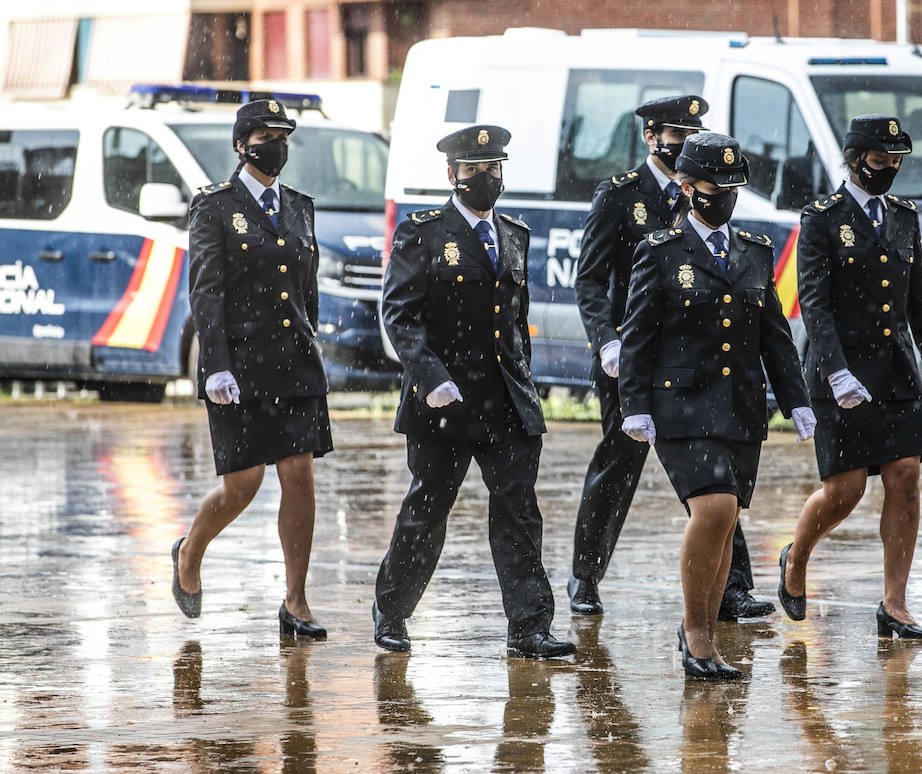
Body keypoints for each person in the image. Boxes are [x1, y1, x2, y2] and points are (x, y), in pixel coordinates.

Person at [371, 124, 574, 659]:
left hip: (504, 401)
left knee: (519, 513)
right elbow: (399, 314)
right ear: (451, 175)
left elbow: (515, 320)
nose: (484, 178)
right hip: (446, 401)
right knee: (428, 509)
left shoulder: (513, 233)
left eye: (492, 169)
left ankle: (529, 627)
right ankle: (391, 610)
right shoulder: (423, 232)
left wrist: (526, 382)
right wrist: (430, 378)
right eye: (472, 170)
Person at [570, 95, 776, 621]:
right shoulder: (621, 197)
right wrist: (608, 340)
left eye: (692, 132)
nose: (684, 142)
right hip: (632, 359)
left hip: (696, 362)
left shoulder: (708, 190)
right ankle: (586, 574)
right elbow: (591, 281)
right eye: (674, 134)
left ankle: (732, 588)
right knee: (619, 465)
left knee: (716, 478)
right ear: (650, 137)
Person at [618, 132, 815, 680]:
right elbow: (637, 336)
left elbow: (773, 333)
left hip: (740, 405)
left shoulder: (753, 251)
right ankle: (697, 633)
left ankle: (702, 629)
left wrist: (796, 399)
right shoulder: (659, 252)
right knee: (715, 510)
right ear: (685, 188)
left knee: (728, 523)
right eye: (711, 188)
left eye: (731, 188)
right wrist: (633, 404)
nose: (723, 197)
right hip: (680, 403)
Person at [779, 115, 922, 639]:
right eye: (881, 161)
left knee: (906, 477)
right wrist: (835, 372)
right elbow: (815, 302)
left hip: (895, 370)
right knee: (845, 490)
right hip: (842, 373)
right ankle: (797, 556)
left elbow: (919, 299)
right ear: (856, 160)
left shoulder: (904, 217)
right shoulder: (822, 219)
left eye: (897, 162)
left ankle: (895, 603)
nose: (890, 170)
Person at [175, 98, 331, 639]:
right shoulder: (215, 207)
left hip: (294, 363)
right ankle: (190, 552)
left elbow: (307, 291)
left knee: (299, 475)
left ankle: (296, 601)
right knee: (243, 485)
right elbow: (207, 291)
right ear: (243, 145)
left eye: (284, 136)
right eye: (267, 135)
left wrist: (313, 342)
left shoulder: (300, 206)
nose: (277, 145)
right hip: (239, 368)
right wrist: (214, 366)